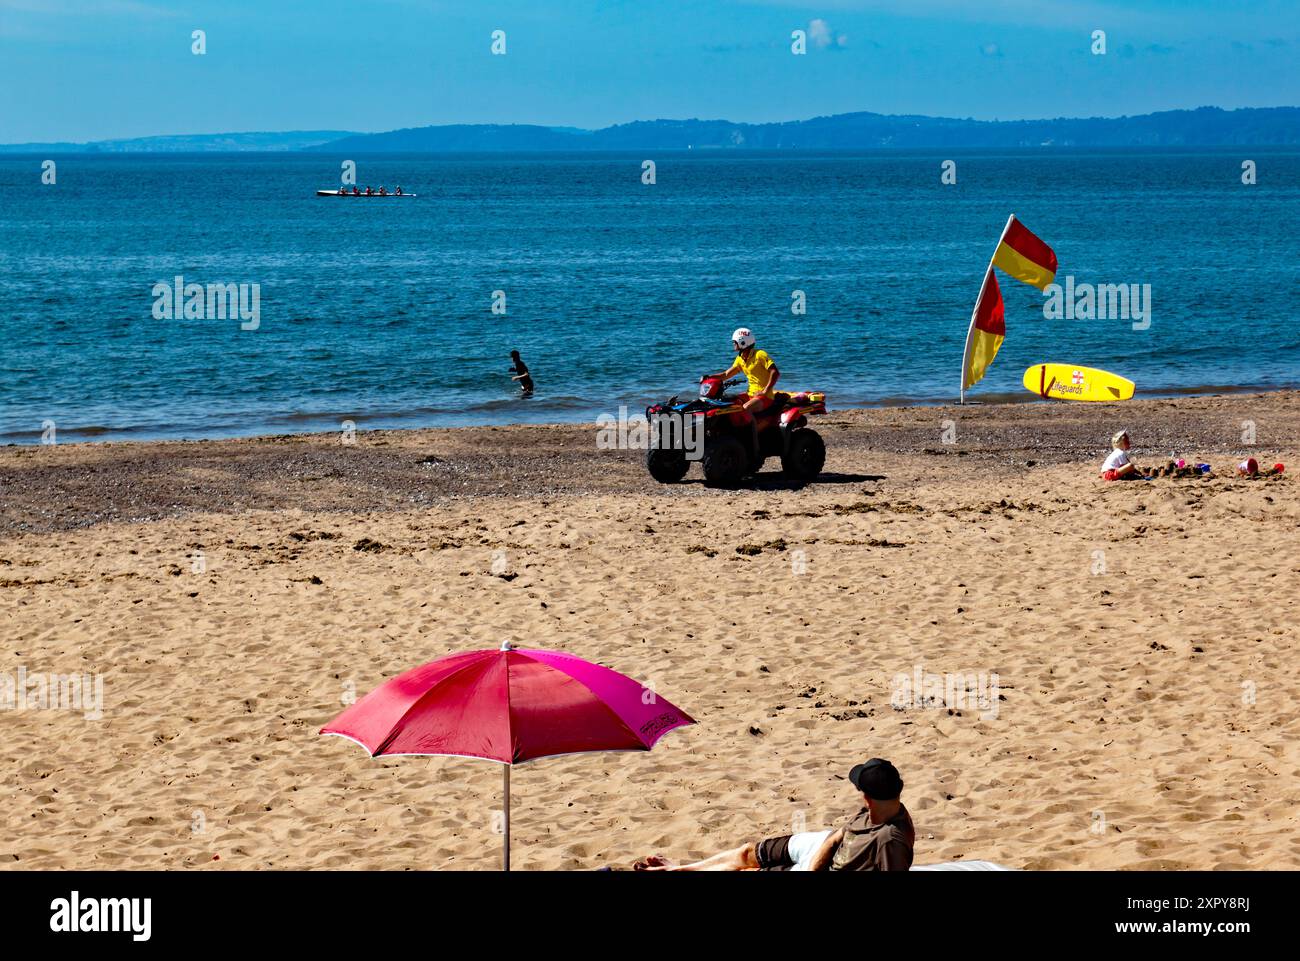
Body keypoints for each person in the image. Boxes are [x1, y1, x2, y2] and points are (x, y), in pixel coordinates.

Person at [635, 758, 915, 872]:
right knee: (747, 853)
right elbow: (834, 840)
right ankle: (678, 870)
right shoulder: (870, 810)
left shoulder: (892, 839)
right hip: (819, 848)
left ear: (866, 795)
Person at [711, 327, 779, 455]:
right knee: (731, 403)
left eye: (735, 342)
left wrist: (765, 391)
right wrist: (709, 377)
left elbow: (775, 373)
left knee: (745, 408)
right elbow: (726, 374)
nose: (733, 344)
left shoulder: (760, 355)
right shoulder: (740, 358)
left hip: (765, 397)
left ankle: (753, 443)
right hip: (751, 394)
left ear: (743, 342)